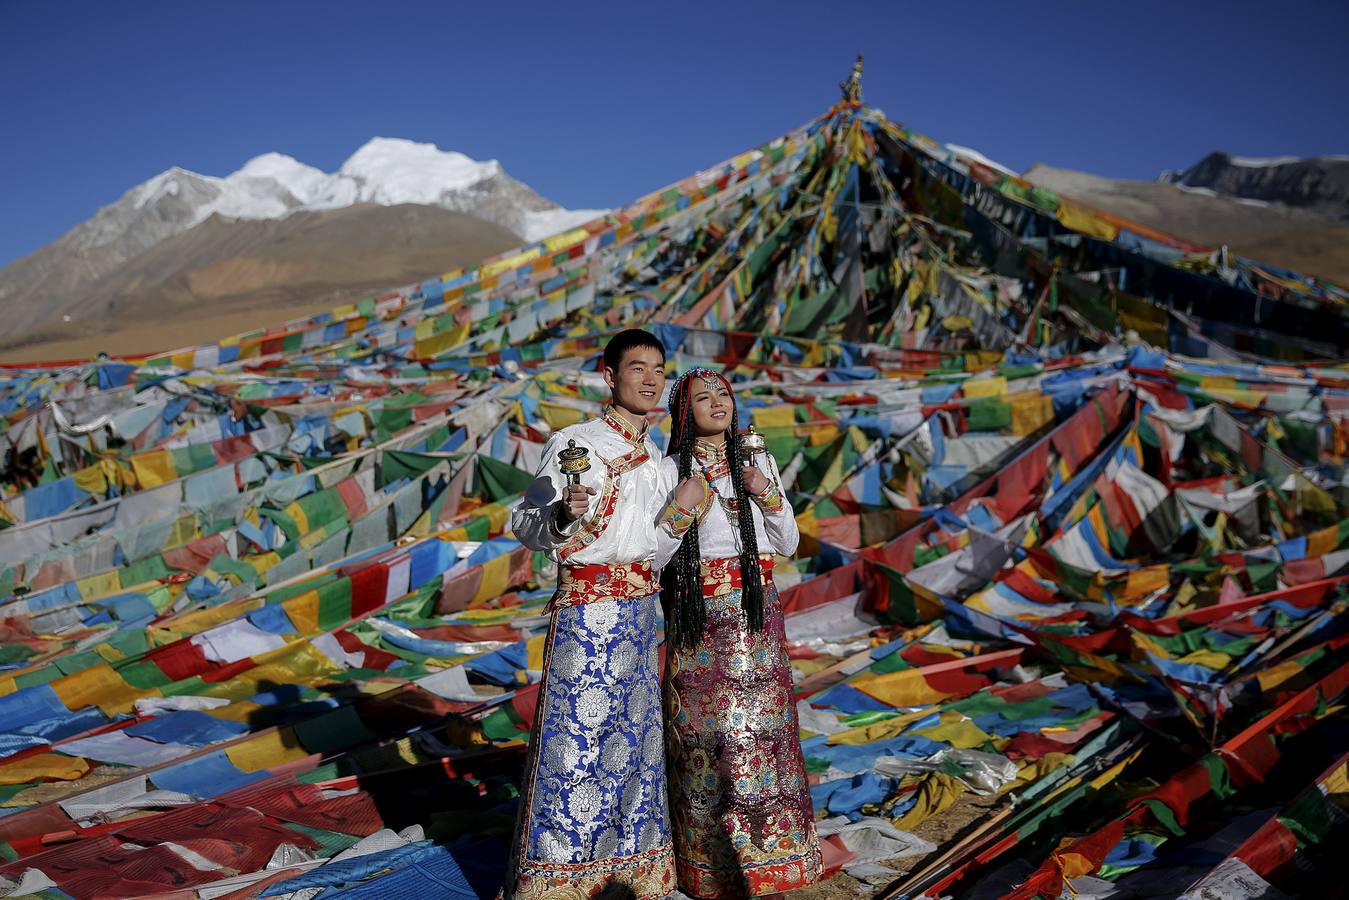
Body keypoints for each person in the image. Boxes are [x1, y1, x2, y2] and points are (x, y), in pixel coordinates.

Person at [504, 329, 677, 900]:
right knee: (576, 746)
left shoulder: (658, 457)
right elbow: (525, 523)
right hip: (587, 611)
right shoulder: (574, 443)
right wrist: (561, 515)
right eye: (638, 368)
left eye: (659, 369)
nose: (650, 380)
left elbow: (656, 547)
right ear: (609, 376)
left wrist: (682, 519)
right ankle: (560, 875)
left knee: (636, 746)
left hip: (640, 613)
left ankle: (630, 870)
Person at [655, 368, 821, 899]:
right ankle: (709, 865)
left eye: (723, 394)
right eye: (702, 398)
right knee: (707, 741)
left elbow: (788, 543)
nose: (717, 403)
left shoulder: (757, 460)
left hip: (756, 617)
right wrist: (683, 508)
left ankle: (774, 856)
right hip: (699, 620)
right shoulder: (668, 470)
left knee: (764, 737)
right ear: (684, 414)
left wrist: (766, 493)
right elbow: (655, 555)